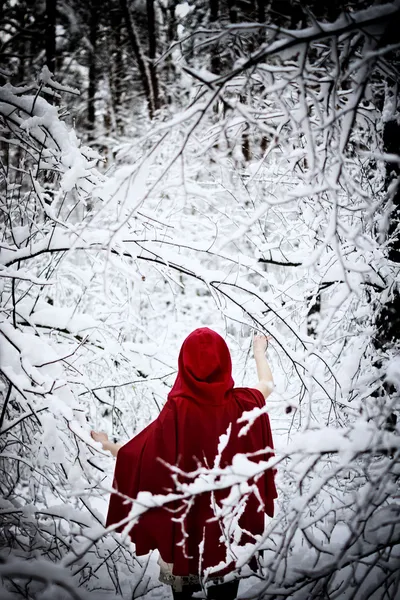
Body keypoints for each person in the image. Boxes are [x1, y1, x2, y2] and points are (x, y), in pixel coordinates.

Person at [91, 328, 277, 599]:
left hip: (185, 539)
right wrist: (259, 352)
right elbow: (267, 386)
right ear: (225, 361)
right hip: (227, 537)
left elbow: (141, 456)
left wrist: (109, 446)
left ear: (184, 364)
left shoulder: (176, 412)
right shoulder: (243, 404)